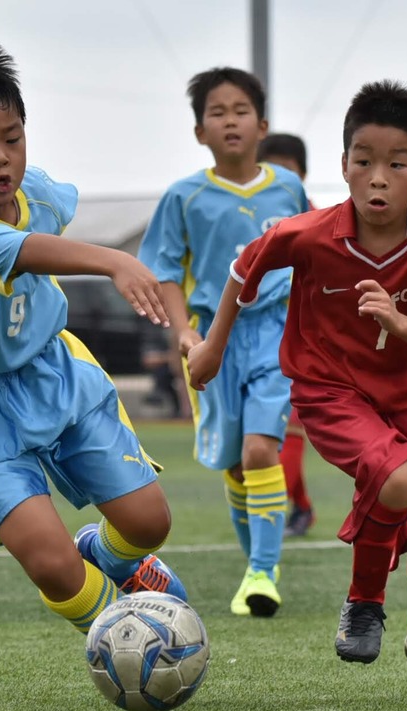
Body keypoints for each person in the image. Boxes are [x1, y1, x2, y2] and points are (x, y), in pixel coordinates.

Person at [187, 80, 407, 696]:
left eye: (396, 163)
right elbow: (246, 268)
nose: (378, 176)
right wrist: (213, 345)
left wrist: (401, 323)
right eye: (364, 160)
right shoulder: (310, 233)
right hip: (329, 391)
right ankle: (364, 602)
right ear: (343, 166)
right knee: (395, 477)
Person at [0, 38, 187, 635]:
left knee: (147, 523)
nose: (1, 158)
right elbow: (29, 253)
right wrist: (113, 260)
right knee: (55, 569)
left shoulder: (41, 194)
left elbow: (53, 212)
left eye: (13, 138)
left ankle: (108, 557)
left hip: (52, 373)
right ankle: (125, 637)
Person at [139, 68, 307, 618]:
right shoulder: (183, 196)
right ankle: (255, 565)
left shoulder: (289, 189)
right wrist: (183, 330)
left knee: (262, 449)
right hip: (214, 338)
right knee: (234, 463)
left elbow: (313, 261)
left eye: (240, 110)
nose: (229, 120)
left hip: (276, 333)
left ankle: (263, 572)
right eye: (217, 112)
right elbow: (163, 269)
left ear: (261, 124)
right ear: (199, 131)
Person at [256, 133, 317, 538]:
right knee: (254, 446)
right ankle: (301, 506)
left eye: (288, 170)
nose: (280, 178)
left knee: (289, 432)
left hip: (300, 343)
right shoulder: (247, 216)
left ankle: (278, 516)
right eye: (272, 169)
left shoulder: (316, 219)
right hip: (253, 345)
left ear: (303, 174)